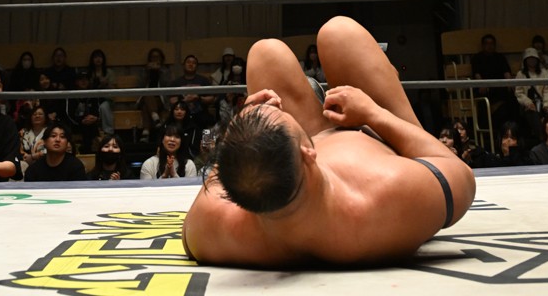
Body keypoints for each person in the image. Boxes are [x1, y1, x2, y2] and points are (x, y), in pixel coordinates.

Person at [182, 16, 475, 268]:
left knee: (265, 53)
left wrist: (242, 127)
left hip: (297, 159)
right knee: (340, 33)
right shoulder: (382, 199)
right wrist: (374, 114)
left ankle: (297, 108)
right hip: (380, 139)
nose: (274, 107)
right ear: (308, 153)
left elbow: (194, 229)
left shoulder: (215, 228)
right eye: (282, 115)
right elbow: (458, 173)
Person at [136, 46, 171, 143]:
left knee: (145, 106)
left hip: (161, 99)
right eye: (153, 57)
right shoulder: (144, 70)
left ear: (161, 59)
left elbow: (168, 85)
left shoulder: (166, 71)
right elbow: (140, 86)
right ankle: (155, 117)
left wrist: (160, 71)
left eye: (157, 57)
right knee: (148, 93)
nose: (155, 59)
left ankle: (146, 131)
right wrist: (147, 72)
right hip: (145, 97)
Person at [169, 54, 215, 126]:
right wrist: (183, 99)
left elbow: (211, 98)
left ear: (196, 66)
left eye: (194, 63)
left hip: (201, 116)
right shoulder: (176, 82)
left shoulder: (204, 80)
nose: (191, 64)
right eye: (188, 62)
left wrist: (198, 98)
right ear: (184, 65)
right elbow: (172, 100)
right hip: (182, 117)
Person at [66, 70, 102, 154]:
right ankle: (88, 151)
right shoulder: (71, 95)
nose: (83, 81)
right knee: (87, 127)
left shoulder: (93, 94)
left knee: (90, 126)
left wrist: (95, 118)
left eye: (86, 79)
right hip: (76, 124)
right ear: (76, 82)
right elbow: (69, 114)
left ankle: (90, 151)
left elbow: (97, 112)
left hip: (91, 124)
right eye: (81, 79)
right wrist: (81, 121)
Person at [86, 48, 116, 135]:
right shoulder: (89, 73)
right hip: (92, 99)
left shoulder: (109, 72)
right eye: (95, 57)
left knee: (104, 107)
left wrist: (105, 84)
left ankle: (109, 132)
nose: (98, 59)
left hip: (107, 99)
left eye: (100, 57)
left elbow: (114, 89)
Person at [19, 104, 48, 173]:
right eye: (34, 114)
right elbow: (17, 149)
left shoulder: (50, 132)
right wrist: (26, 157)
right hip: (25, 164)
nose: (37, 116)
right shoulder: (23, 132)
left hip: (46, 163)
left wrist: (34, 156)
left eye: (40, 114)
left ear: (45, 117)